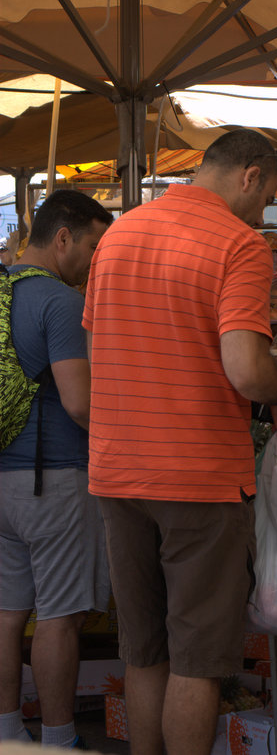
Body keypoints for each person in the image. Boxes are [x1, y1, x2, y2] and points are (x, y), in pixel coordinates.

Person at [82, 129, 277, 755]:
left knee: (144, 651)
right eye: (268, 195)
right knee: (198, 659)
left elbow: (96, 348)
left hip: (117, 470)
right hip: (198, 474)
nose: (263, 211)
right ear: (251, 176)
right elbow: (246, 369)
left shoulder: (119, 233)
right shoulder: (240, 243)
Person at [0, 190, 113, 749]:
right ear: (63, 237)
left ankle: (6, 732)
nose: (93, 260)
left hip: (2, 478)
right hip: (54, 479)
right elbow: (79, 403)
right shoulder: (60, 302)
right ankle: (59, 740)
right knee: (60, 617)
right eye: (93, 246)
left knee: (6, 613)